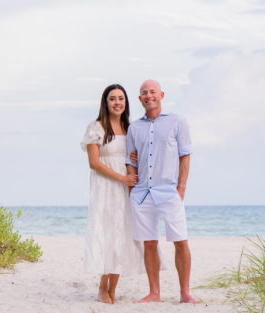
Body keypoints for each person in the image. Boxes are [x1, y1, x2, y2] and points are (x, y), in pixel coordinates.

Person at [126, 79, 199, 304]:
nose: (149, 96)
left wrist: (182, 187)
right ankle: (154, 293)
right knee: (149, 243)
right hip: (142, 194)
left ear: (161, 95)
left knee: (180, 241)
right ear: (139, 99)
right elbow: (131, 159)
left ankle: (185, 293)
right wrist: (132, 189)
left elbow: (185, 155)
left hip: (169, 192)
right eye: (144, 93)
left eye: (153, 92)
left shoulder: (177, 122)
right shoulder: (134, 127)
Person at [80, 84, 142, 304]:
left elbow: (136, 158)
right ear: (105, 103)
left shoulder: (130, 128)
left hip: (126, 189)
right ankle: (101, 287)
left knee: (122, 235)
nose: (117, 102)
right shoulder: (96, 127)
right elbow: (94, 163)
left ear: (126, 102)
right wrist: (121, 178)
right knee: (106, 235)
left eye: (121, 98)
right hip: (105, 188)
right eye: (113, 99)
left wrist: (133, 180)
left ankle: (113, 288)